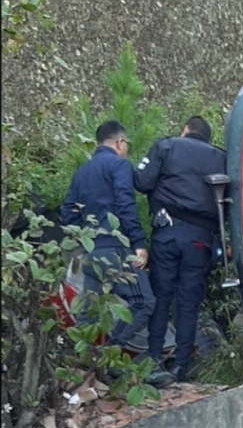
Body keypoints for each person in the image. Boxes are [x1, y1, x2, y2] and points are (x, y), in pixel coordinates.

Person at [61, 120, 175, 388]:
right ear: (120, 143)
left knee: (90, 311)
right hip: (116, 247)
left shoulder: (81, 172)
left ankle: (84, 370)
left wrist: (85, 237)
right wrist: (138, 243)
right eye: (126, 146)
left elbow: (67, 213)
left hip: (90, 252)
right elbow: (125, 205)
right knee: (145, 302)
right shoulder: (119, 165)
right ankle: (111, 353)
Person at [135, 116, 227, 382]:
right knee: (189, 302)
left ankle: (153, 360)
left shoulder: (167, 147)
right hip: (201, 239)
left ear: (185, 130)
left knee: (161, 296)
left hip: (169, 230)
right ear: (207, 137)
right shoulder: (220, 157)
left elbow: (142, 181)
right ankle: (180, 367)